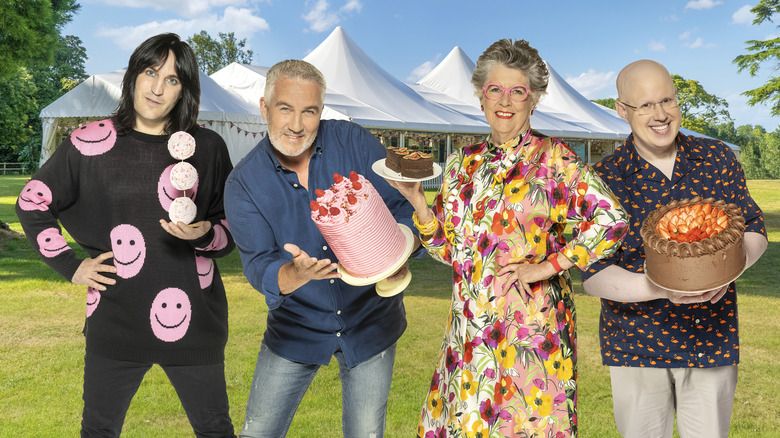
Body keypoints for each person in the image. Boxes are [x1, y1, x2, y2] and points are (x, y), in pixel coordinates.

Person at [386, 39, 628, 437]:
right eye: (495, 89)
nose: (505, 100)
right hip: (470, 330)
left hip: (532, 331)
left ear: (533, 102)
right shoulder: (461, 163)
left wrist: (550, 265)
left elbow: (612, 219)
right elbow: (449, 252)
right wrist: (420, 205)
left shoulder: (555, 159)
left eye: (518, 91)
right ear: (481, 97)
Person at [15, 33, 237, 437]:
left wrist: (205, 233)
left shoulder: (207, 147)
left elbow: (230, 229)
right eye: (151, 72)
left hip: (196, 323)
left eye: (172, 80)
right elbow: (32, 201)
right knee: (99, 430)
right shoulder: (89, 142)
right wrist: (70, 264)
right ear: (133, 74)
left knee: (215, 429)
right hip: (115, 320)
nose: (157, 88)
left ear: (184, 90)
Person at [223, 59, 422, 438]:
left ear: (320, 111)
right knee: (257, 432)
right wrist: (293, 275)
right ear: (264, 108)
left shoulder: (354, 142)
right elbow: (258, 265)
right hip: (297, 326)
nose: (297, 125)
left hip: (371, 320)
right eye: (285, 108)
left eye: (309, 111)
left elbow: (402, 208)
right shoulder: (243, 183)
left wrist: (400, 251)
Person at [580, 60, 768, 438]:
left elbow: (753, 227)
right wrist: (663, 287)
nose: (660, 115)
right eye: (645, 105)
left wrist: (732, 266)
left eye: (667, 100)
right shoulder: (603, 180)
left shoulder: (717, 159)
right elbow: (592, 274)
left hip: (711, 340)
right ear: (622, 110)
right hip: (635, 346)